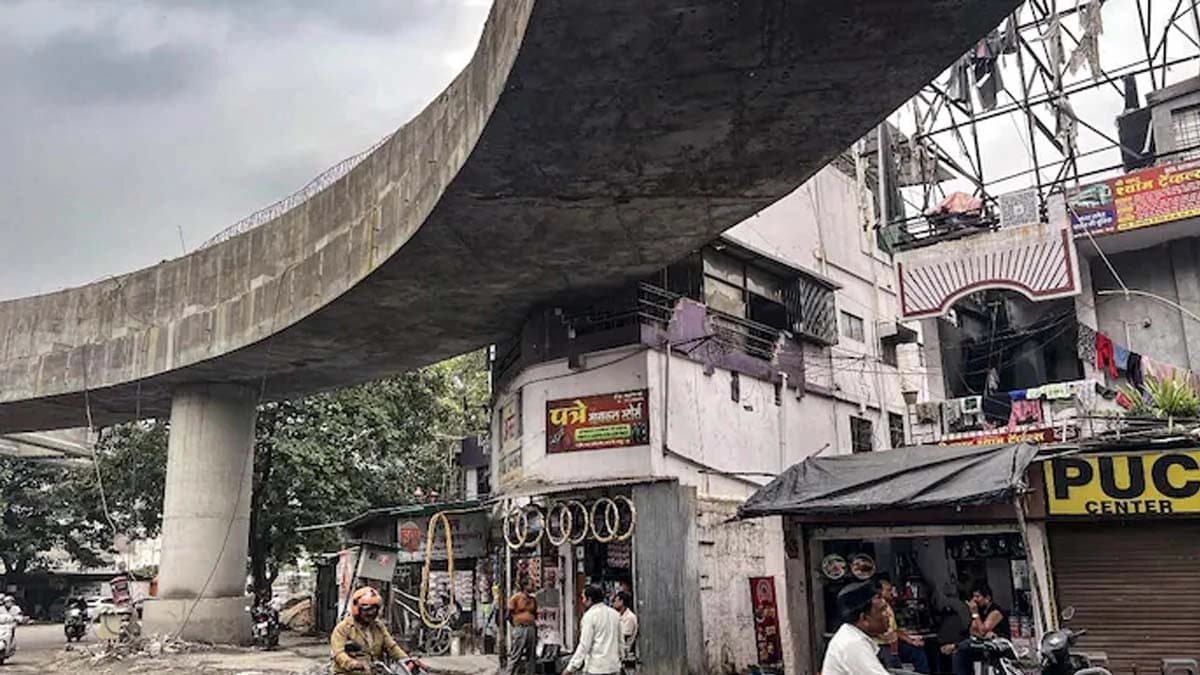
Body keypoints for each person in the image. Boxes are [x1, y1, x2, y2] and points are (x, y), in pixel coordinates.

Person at [330, 587, 409, 673]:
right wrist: (355, 664)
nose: (371, 612)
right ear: (357, 609)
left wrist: (407, 660)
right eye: (367, 609)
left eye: (374, 609)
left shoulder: (378, 627)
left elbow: (392, 647)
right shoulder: (343, 628)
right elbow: (339, 654)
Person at [821, 581, 892, 675]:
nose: (888, 615)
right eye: (882, 610)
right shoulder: (853, 643)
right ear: (864, 619)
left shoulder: (851, 635)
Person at [950, 583, 1010, 675]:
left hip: (999, 645)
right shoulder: (981, 612)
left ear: (987, 598)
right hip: (984, 642)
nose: (975, 600)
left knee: (963, 648)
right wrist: (983, 633)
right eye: (974, 597)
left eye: (978, 596)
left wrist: (975, 613)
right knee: (960, 652)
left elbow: (982, 631)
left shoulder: (995, 612)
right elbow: (972, 630)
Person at [874, 578, 929, 673]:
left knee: (918, 653)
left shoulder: (888, 607)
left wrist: (911, 641)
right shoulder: (875, 608)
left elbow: (895, 630)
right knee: (893, 664)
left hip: (895, 643)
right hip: (881, 646)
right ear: (880, 592)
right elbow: (888, 633)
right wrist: (894, 652)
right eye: (888, 590)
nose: (892, 592)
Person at [566, 586, 622, 675]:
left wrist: (570, 668)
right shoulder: (615, 615)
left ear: (590, 599)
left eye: (583, 598)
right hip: (613, 667)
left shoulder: (589, 616)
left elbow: (584, 645)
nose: (582, 601)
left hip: (596, 668)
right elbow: (620, 642)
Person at [506, 576, 538, 675]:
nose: (533, 586)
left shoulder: (533, 599)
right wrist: (516, 625)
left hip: (531, 628)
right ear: (524, 586)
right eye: (530, 584)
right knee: (516, 655)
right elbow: (508, 614)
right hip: (520, 628)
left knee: (531, 656)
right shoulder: (516, 597)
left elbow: (535, 613)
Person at [612, 591, 638, 672]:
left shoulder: (629, 617)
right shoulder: (619, 615)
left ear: (621, 602)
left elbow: (624, 636)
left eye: (615, 601)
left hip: (625, 653)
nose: (614, 603)